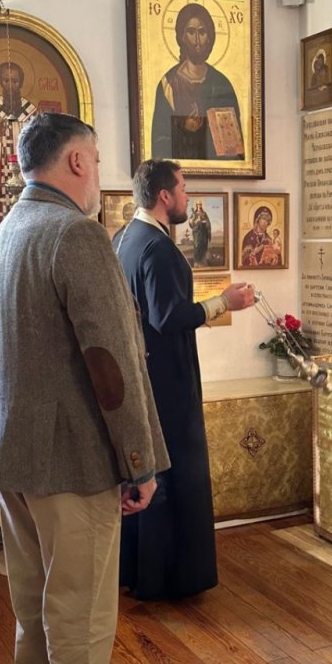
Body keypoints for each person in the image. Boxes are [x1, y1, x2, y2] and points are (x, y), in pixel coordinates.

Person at [0, 113, 170, 664]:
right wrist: (139, 463)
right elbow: (112, 364)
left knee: (32, 596)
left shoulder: (6, 232)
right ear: (77, 161)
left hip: (11, 452)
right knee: (80, 610)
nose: (98, 174)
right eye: (98, 161)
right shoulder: (75, 234)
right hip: (71, 459)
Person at [113, 158, 255, 600]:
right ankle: (171, 579)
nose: (188, 196)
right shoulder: (158, 248)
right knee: (177, 474)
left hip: (141, 376)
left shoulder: (124, 238)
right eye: (184, 187)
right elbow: (168, 317)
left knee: (150, 473)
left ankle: (137, 572)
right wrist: (223, 303)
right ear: (164, 196)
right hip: (167, 381)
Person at [151, 3, 244, 161]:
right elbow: (159, 143)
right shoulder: (168, 84)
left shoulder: (222, 84)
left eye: (202, 32)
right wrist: (184, 129)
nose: (197, 40)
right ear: (182, 36)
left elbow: (234, 149)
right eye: (191, 32)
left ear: (209, 38)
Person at [0, 61, 37, 242]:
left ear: (21, 83)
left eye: (15, 81)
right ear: (0, 82)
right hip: (1, 185)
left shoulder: (31, 112)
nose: (10, 86)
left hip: (27, 185)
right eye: (6, 81)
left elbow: (39, 147)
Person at [188, 199, 211, 266]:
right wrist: (196, 221)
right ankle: (197, 261)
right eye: (198, 204)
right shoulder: (194, 214)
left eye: (200, 204)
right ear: (196, 205)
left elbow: (208, 222)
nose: (199, 206)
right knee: (197, 246)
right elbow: (191, 223)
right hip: (197, 232)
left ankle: (203, 261)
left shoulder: (204, 213)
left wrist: (205, 223)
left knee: (203, 245)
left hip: (204, 232)